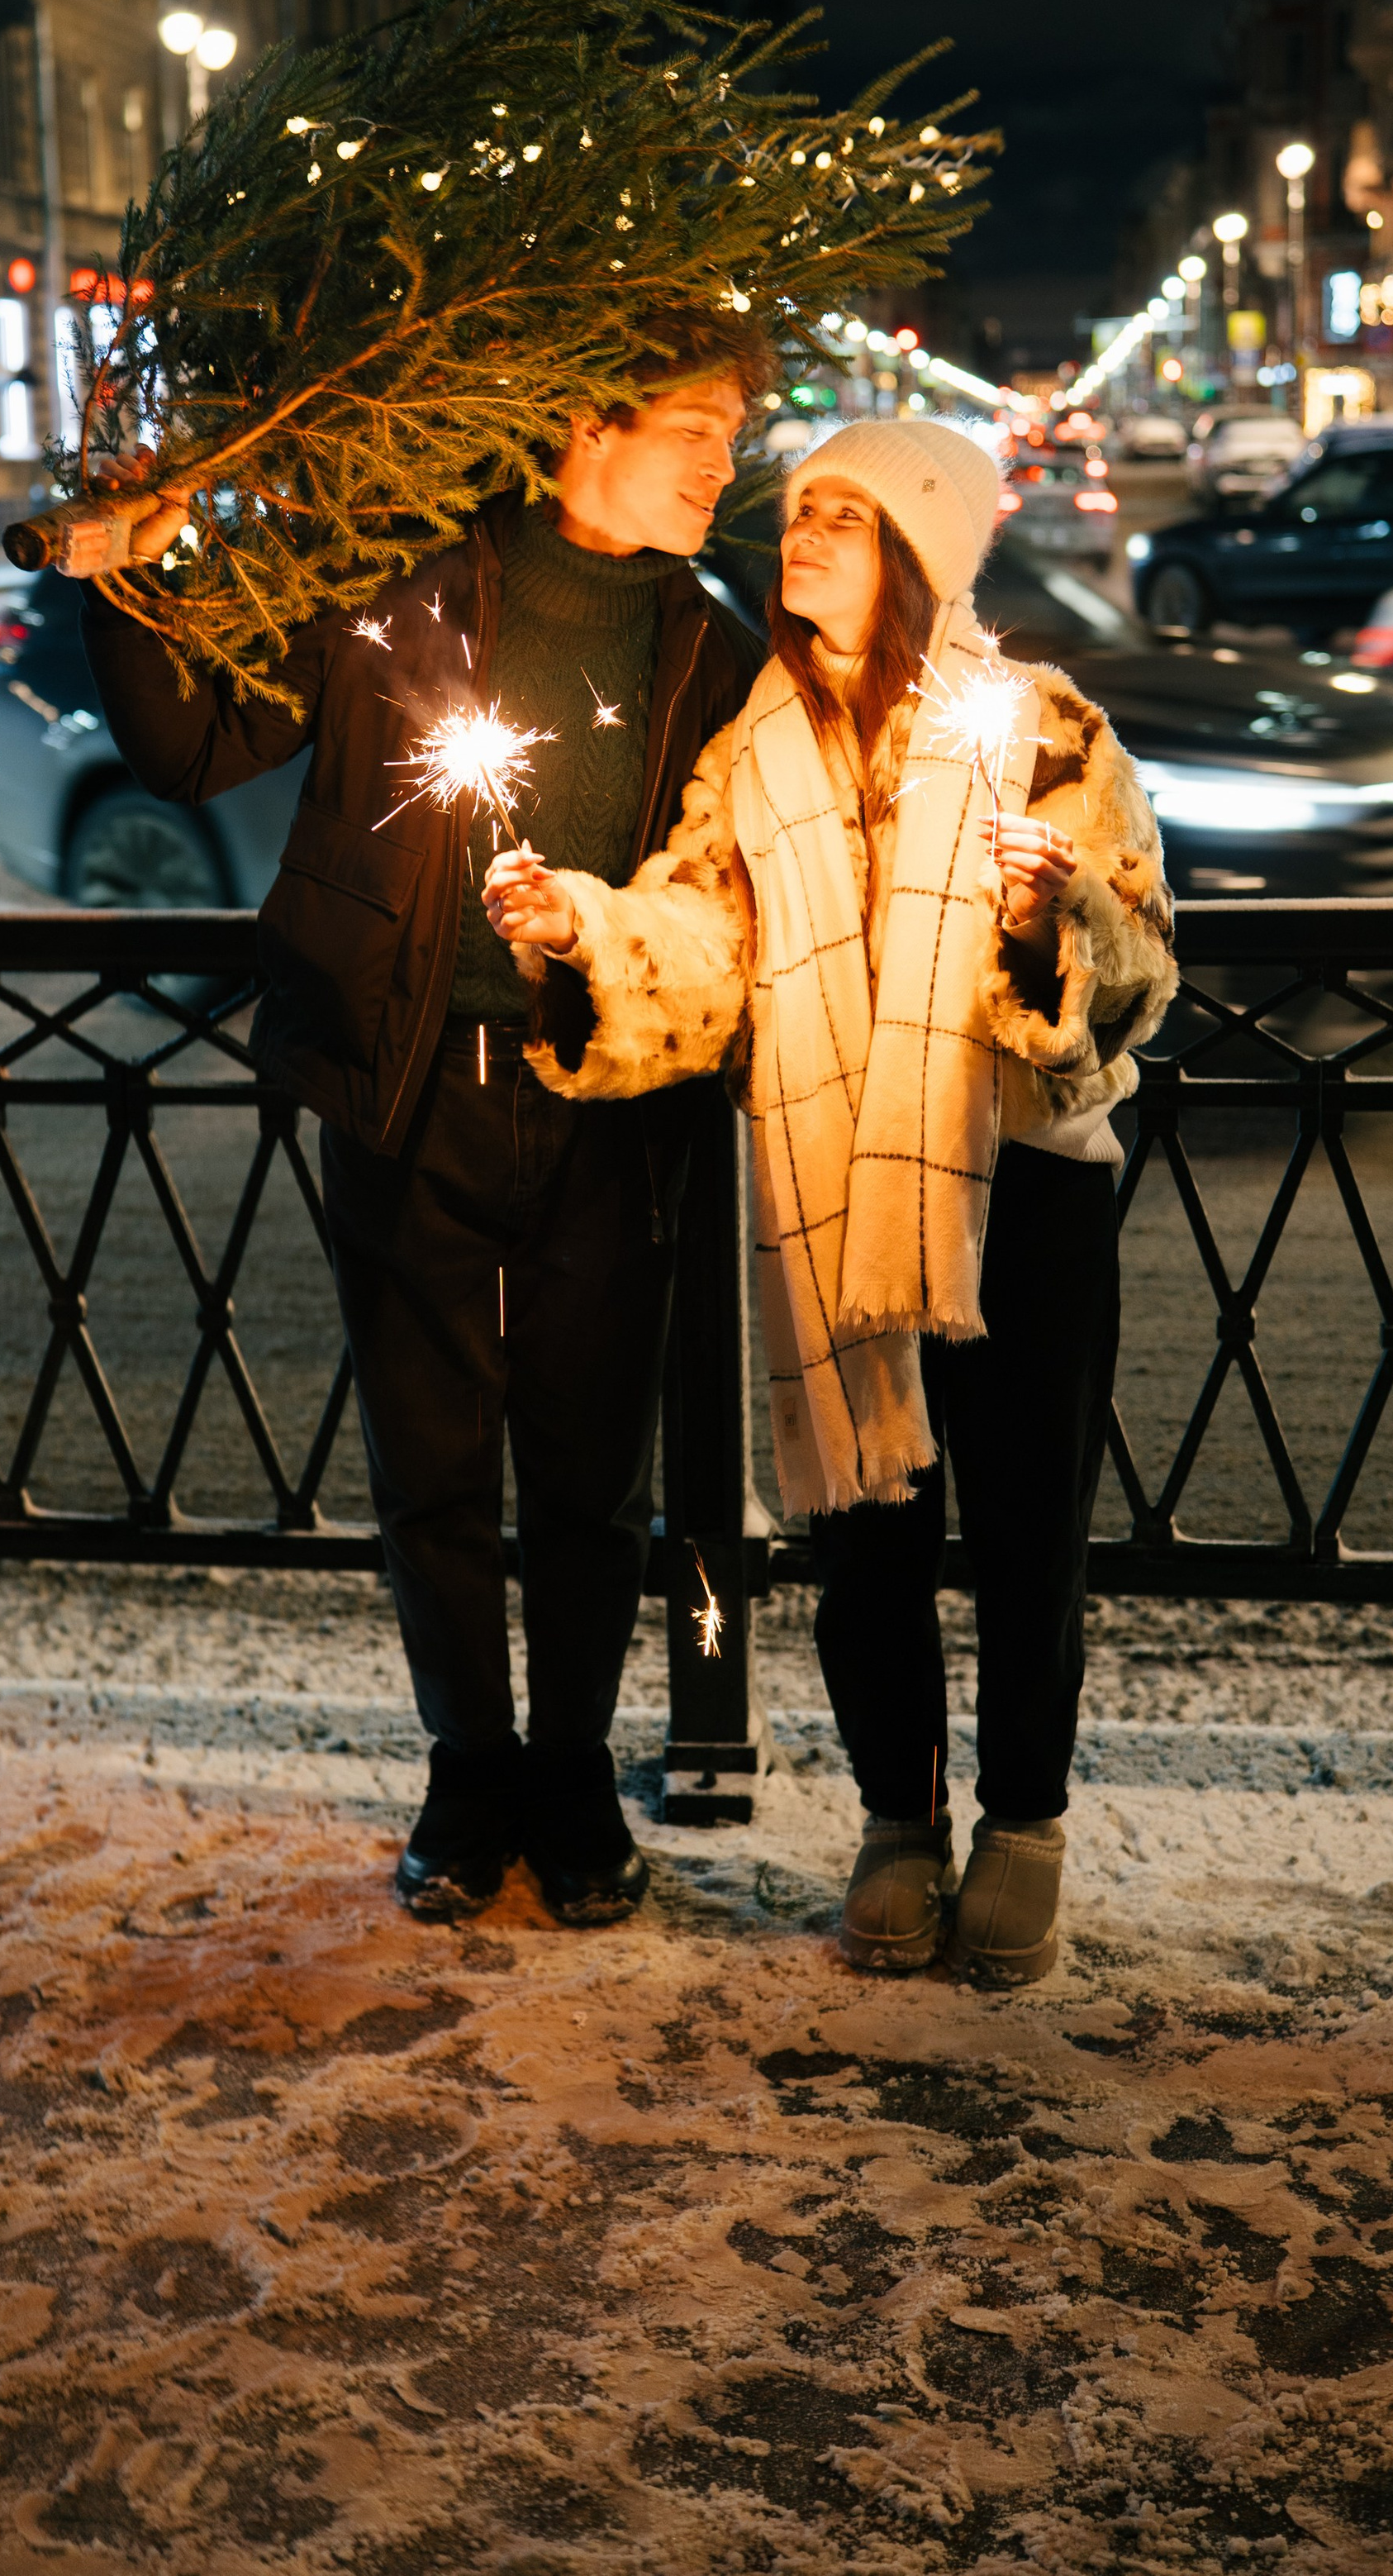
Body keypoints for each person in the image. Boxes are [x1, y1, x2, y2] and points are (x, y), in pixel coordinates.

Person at [82, 317, 765, 1926]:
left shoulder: (715, 655)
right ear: (586, 427)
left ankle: (577, 1772)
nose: (722, 464)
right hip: (406, 1090)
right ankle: (468, 1772)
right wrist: (121, 575)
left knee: (592, 1476)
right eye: (694, 429)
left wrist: (594, 945)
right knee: (432, 1467)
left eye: (732, 436)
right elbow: (187, 744)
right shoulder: (408, 594)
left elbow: (737, 901)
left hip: (607, 1102)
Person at [485, 419, 1177, 1988]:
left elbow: (1137, 965)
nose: (804, 544)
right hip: (829, 1187)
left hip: (1021, 1198)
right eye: (802, 519)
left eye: (847, 522)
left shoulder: (1042, 735)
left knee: (1022, 1533)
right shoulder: (759, 749)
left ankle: (1023, 1828)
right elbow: (703, 943)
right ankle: (895, 1824)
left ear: (920, 559)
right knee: (867, 1530)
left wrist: (1047, 918)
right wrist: (586, 928)